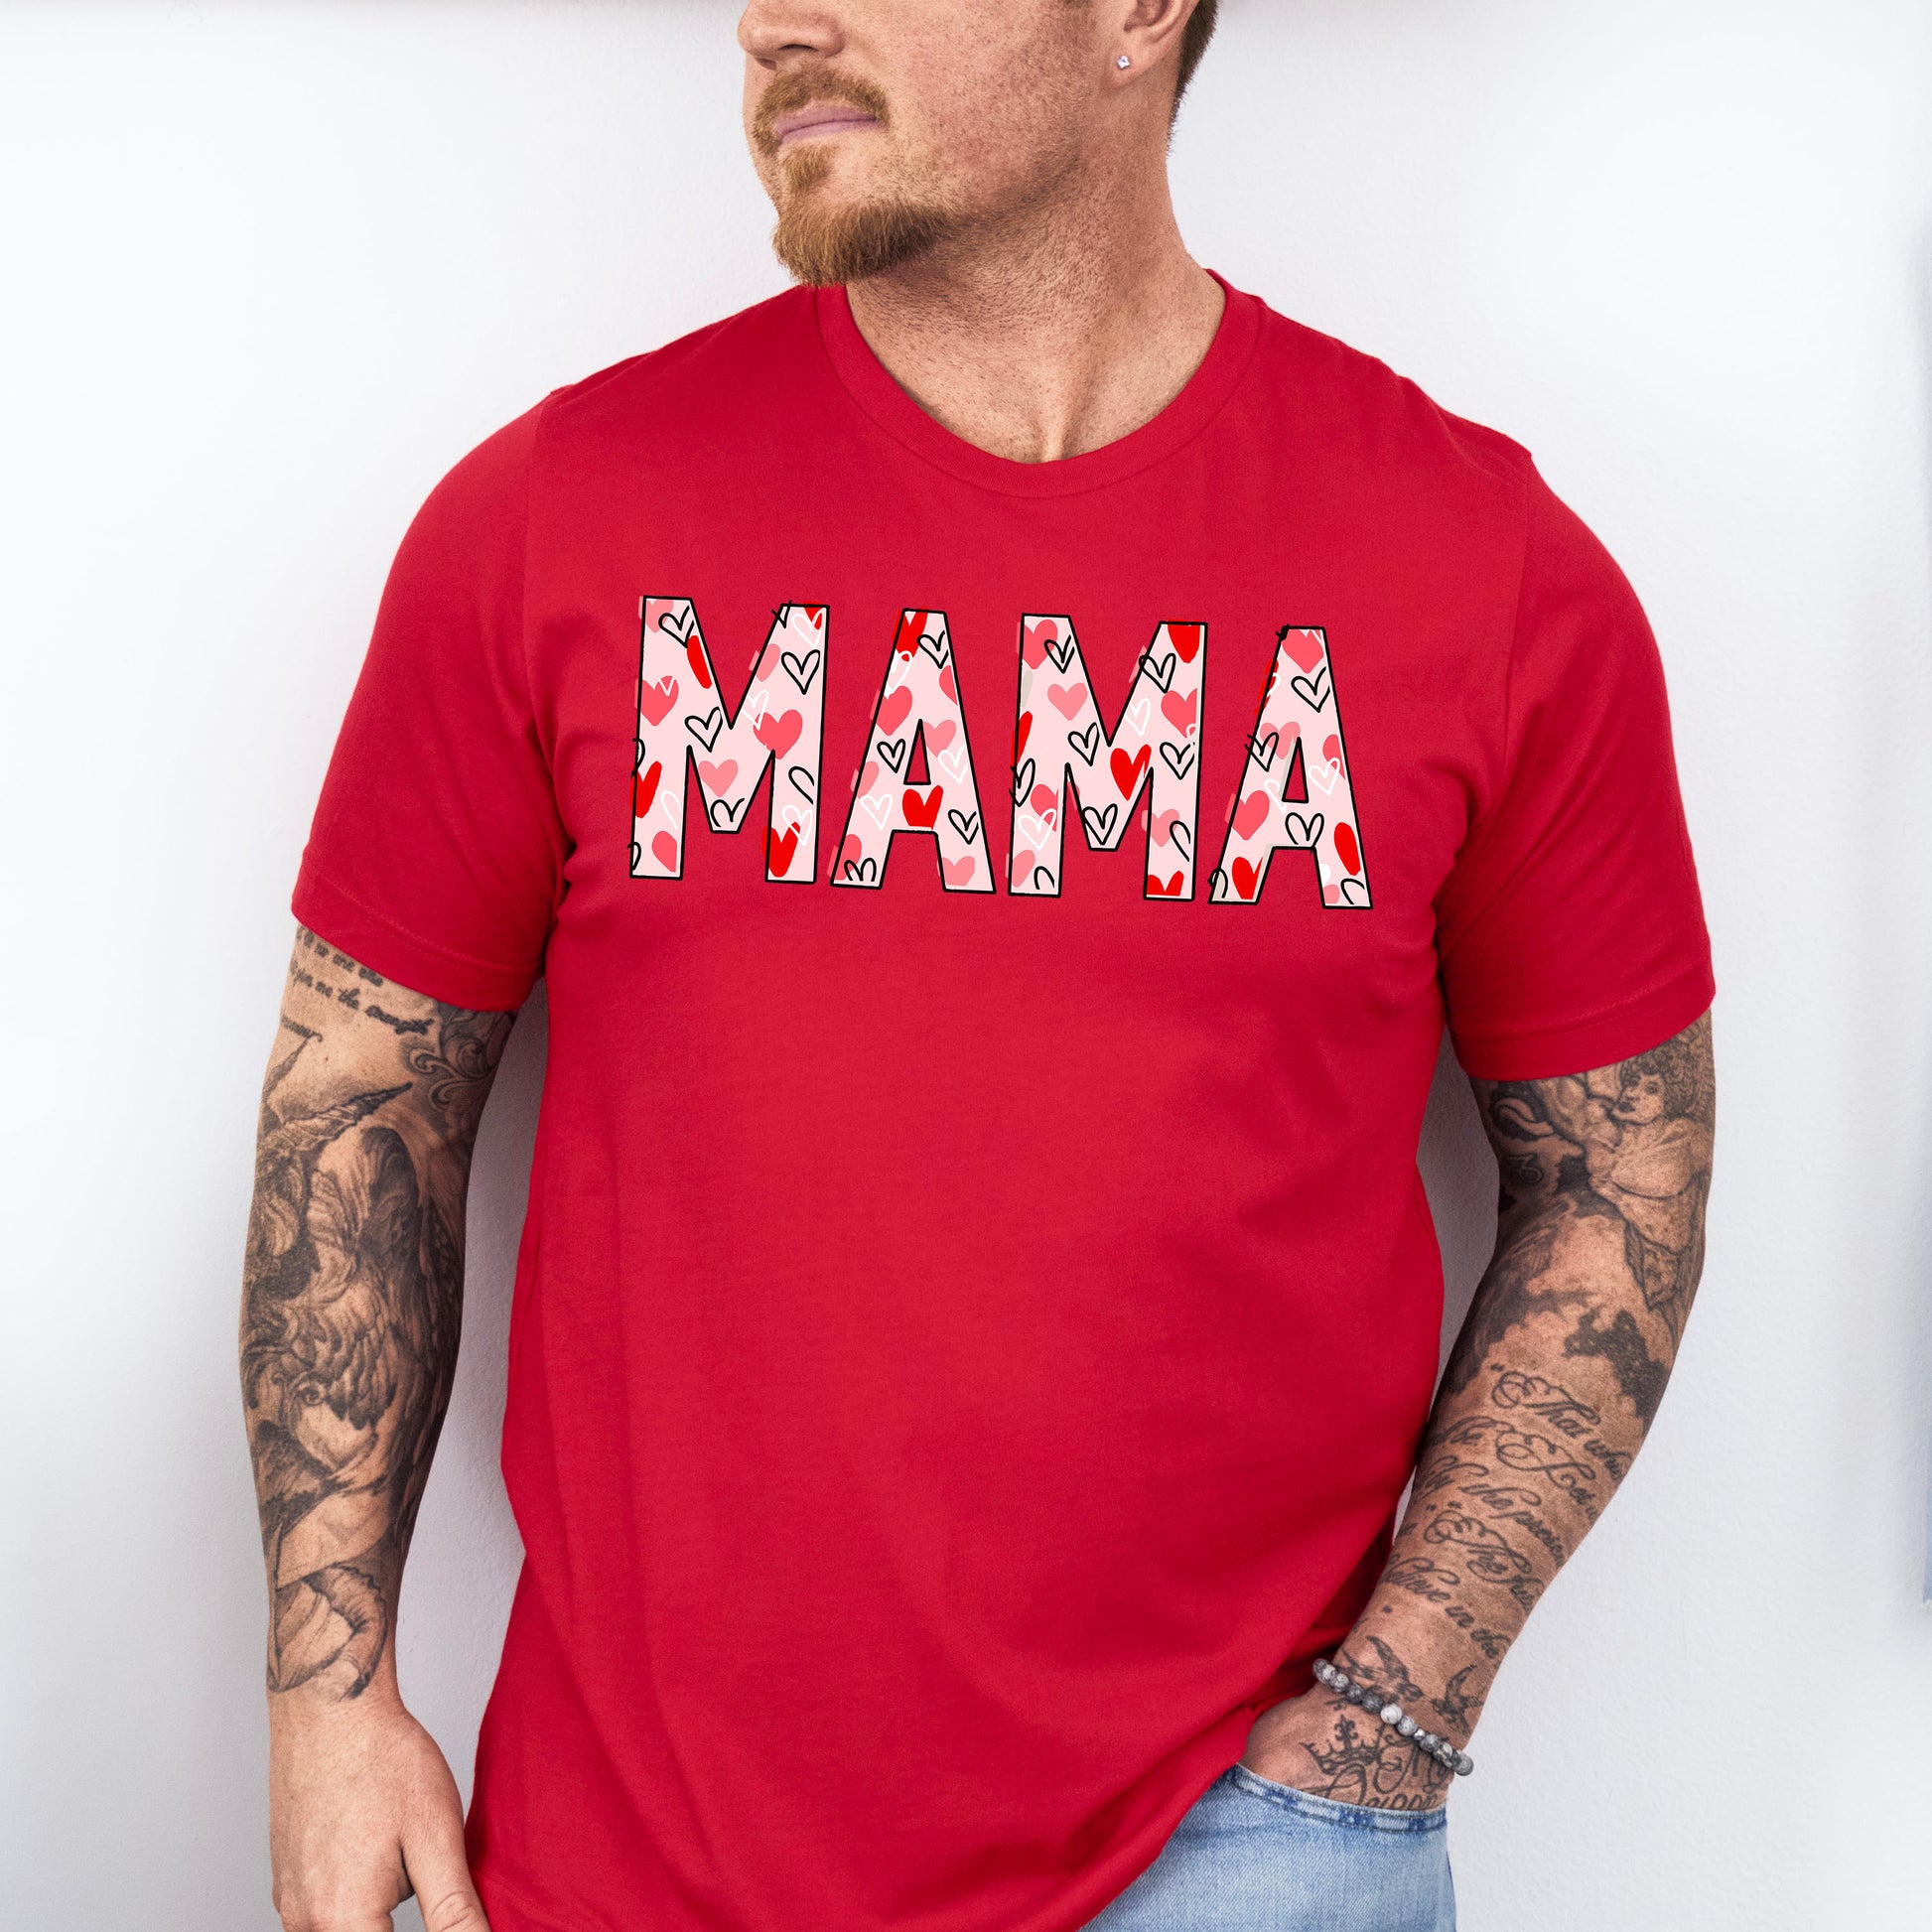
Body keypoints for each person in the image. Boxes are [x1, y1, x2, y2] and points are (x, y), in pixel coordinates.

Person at [241, 3, 1717, 1928]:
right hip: (643, 1870)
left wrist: (1392, 1716)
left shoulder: (1487, 572)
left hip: (1233, 1862)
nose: (775, 20)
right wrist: (326, 1696)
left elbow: (1621, 1167)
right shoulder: (549, 521)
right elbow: (360, 1104)